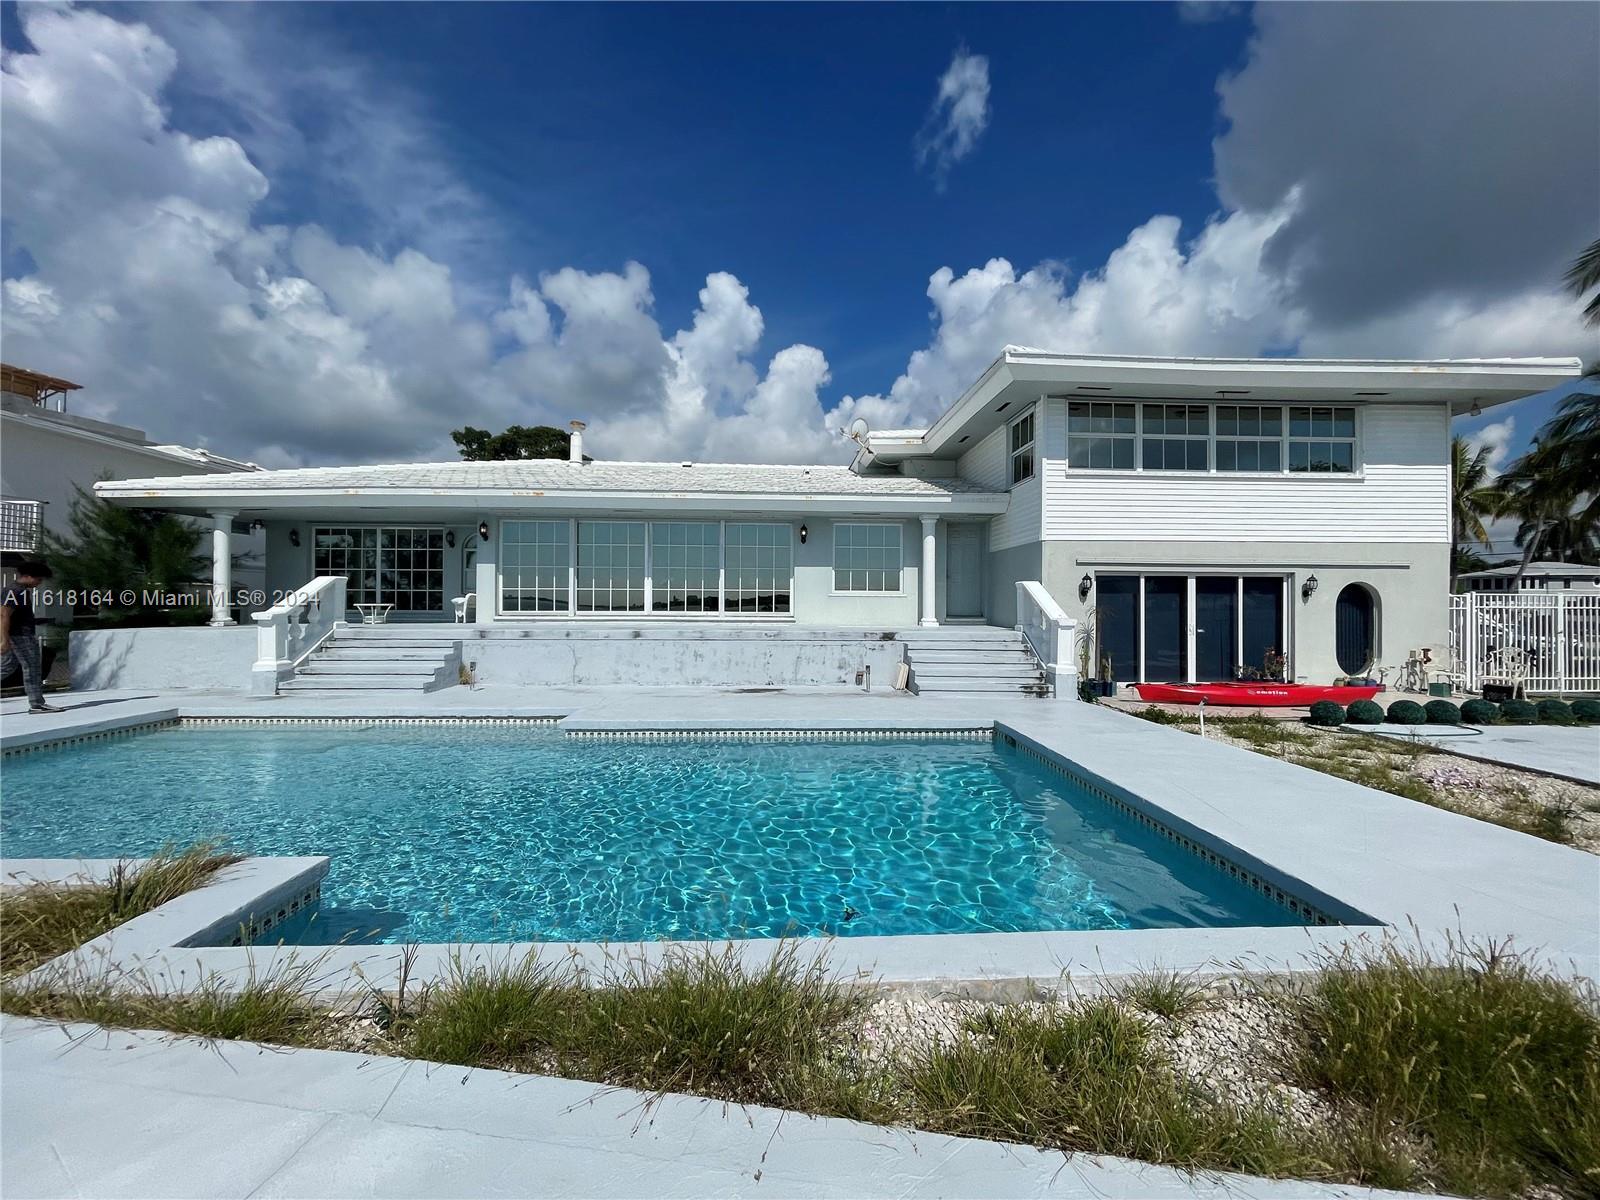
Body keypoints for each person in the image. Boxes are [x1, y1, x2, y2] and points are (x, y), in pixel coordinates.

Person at [1, 560, 61, 714]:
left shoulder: (18, 590)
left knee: (6, 667)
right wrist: (4, 639)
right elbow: (4, 615)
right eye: (38, 579)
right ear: (27, 576)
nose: (39, 583)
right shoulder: (15, 591)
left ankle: (37, 703)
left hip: (17, 634)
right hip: (20, 636)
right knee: (32, 667)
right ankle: (37, 704)